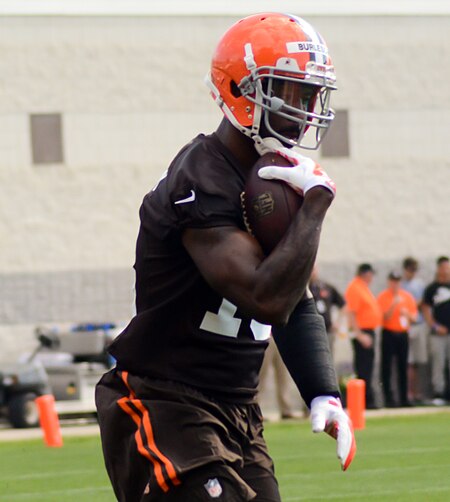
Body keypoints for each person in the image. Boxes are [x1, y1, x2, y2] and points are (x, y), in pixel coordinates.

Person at [95, 13, 355, 502]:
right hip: (163, 400)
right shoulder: (203, 176)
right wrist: (316, 206)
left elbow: (295, 301)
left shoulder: (271, 180)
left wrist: (324, 391)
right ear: (240, 87)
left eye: (307, 95)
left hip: (236, 409)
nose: (301, 110)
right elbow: (265, 297)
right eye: (287, 91)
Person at [344, 263, 382, 409]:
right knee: (364, 367)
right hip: (362, 332)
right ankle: (365, 400)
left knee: (368, 367)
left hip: (368, 331)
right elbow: (351, 313)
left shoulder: (363, 288)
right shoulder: (355, 288)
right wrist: (359, 335)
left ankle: (368, 398)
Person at [377, 271, 418, 407]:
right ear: (389, 282)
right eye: (393, 281)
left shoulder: (407, 296)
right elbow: (384, 317)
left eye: (397, 281)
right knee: (387, 366)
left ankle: (404, 398)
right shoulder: (383, 297)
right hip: (389, 332)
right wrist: (394, 305)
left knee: (402, 366)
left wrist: (407, 314)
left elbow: (414, 318)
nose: (395, 284)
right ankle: (389, 398)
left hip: (402, 333)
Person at [422, 256, 450, 406]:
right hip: (438, 333)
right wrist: (435, 326)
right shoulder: (432, 289)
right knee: (438, 363)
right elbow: (426, 309)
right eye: (444, 267)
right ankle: (438, 392)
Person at [400, 257, 428, 404]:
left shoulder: (419, 284)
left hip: (419, 323)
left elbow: (422, 302)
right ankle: (409, 393)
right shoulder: (402, 285)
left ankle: (418, 392)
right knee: (409, 361)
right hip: (407, 326)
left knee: (419, 360)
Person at [258, 336, 304, 420]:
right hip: (266, 337)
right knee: (261, 375)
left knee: (283, 376)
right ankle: (256, 409)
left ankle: (286, 409)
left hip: (281, 337)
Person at [309, 264, 346, 356]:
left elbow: (343, 305)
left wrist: (338, 323)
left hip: (326, 330)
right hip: (308, 332)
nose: (312, 273)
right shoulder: (301, 289)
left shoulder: (325, 287)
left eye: (313, 269)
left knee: (327, 358)